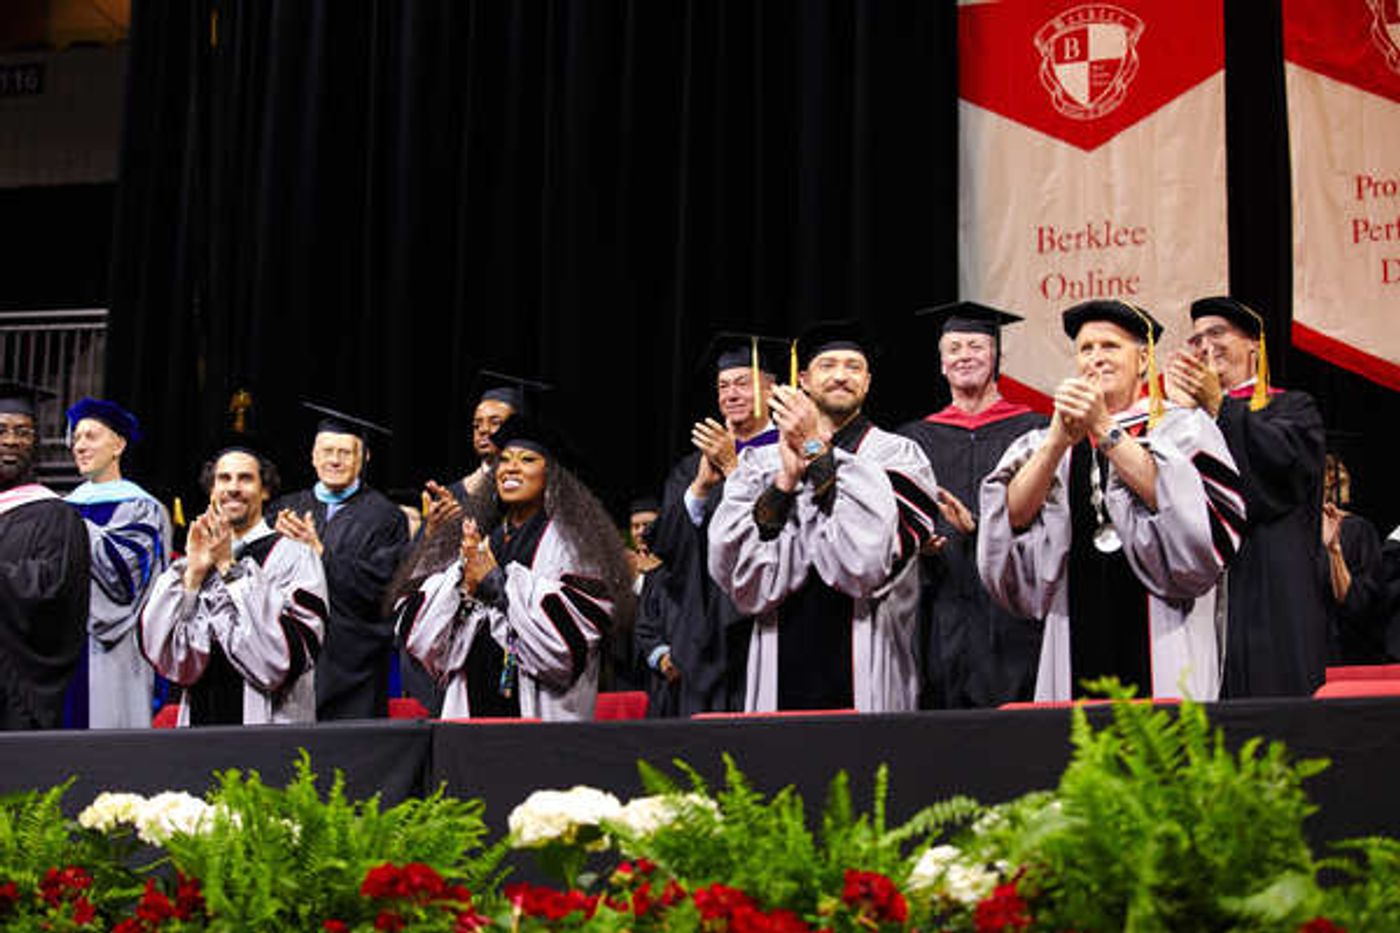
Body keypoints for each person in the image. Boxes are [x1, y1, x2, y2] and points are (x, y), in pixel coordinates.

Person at [978, 300, 1244, 701]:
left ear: (1142, 360)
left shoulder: (1181, 428)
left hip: (1163, 625)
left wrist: (1103, 428)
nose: (1096, 358)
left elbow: (1193, 521)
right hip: (1075, 622)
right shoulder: (1049, 438)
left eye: (1109, 346)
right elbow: (1012, 516)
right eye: (1086, 349)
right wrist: (1055, 444)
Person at [708, 322, 940, 712]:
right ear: (804, 381)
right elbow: (735, 568)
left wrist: (816, 448)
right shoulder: (759, 463)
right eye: (827, 365)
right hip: (780, 646)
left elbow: (873, 561)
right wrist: (784, 481)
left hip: (869, 649)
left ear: (867, 382)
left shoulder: (899, 456)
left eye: (853, 367)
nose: (840, 376)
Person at [396, 415, 634, 721]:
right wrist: (458, 581)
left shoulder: (575, 541)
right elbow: (424, 635)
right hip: (473, 700)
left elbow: (571, 641)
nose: (510, 467)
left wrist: (496, 584)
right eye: (504, 460)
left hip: (542, 707)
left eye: (527, 459)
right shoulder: (482, 537)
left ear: (551, 474)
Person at [1166, 296, 1328, 696]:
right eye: (1196, 338)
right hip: (1202, 584)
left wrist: (1217, 406)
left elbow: (1279, 476)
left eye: (1217, 333)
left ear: (1254, 343)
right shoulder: (1185, 421)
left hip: (1271, 581)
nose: (1205, 345)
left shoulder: (1292, 407)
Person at [899, 302, 1047, 709]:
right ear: (942, 364)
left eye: (977, 346)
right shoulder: (914, 441)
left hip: (1013, 607)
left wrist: (982, 527)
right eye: (954, 348)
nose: (965, 355)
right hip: (941, 606)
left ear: (996, 357)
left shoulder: (1035, 431)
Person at [638, 335, 783, 716]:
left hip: (765, 620)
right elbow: (664, 548)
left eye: (742, 383)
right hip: (701, 627)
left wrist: (734, 470)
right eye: (723, 386)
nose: (731, 394)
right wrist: (700, 489)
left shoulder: (789, 458)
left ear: (770, 390)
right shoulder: (691, 468)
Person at [140, 441, 327, 725]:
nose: (233, 488)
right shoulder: (197, 560)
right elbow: (169, 656)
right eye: (223, 479)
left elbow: (282, 660)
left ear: (265, 490)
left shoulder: (294, 556)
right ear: (212, 490)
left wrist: (229, 568)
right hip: (200, 726)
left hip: (270, 725)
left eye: (246, 478)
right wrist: (192, 576)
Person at [270, 404, 409, 719]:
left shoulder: (386, 517)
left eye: (345, 453)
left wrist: (320, 555)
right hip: (291, 655)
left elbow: (384, 587)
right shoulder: (286, 508)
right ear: (313, 456)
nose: (335, 460)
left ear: (364, 458)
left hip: (352, 666)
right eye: (327, 451)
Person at [65, 398, 172, 728]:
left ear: (119, 445)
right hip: (63, 650)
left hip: (118, 653)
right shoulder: (64, 506)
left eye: (91, 436)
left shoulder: (143, 508)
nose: (80, 446)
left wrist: (72, 527)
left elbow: (125, 581)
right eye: (76, 438)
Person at [0, 381, 90, 730]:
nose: (11, 440)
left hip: (15, 695)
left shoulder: (55, 515)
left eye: (23, 432)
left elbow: (53, 591)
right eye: (2, 430)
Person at [1318, 454, 1390, 665]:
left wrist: (1335, 550)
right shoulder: (1291, 533)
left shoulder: (1357, 531)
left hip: (1344, 655)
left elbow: (1359, 605)